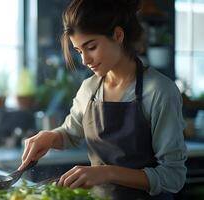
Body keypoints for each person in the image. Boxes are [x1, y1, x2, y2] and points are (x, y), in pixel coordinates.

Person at [18, 0, 187, 199]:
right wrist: (50, 136)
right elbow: (71, 133)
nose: (84, 60)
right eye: (79, 51)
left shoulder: (160, 91)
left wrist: (107, 172)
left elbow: (173, 177)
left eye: (91, 47)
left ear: (117, 36)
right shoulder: (89, 88)